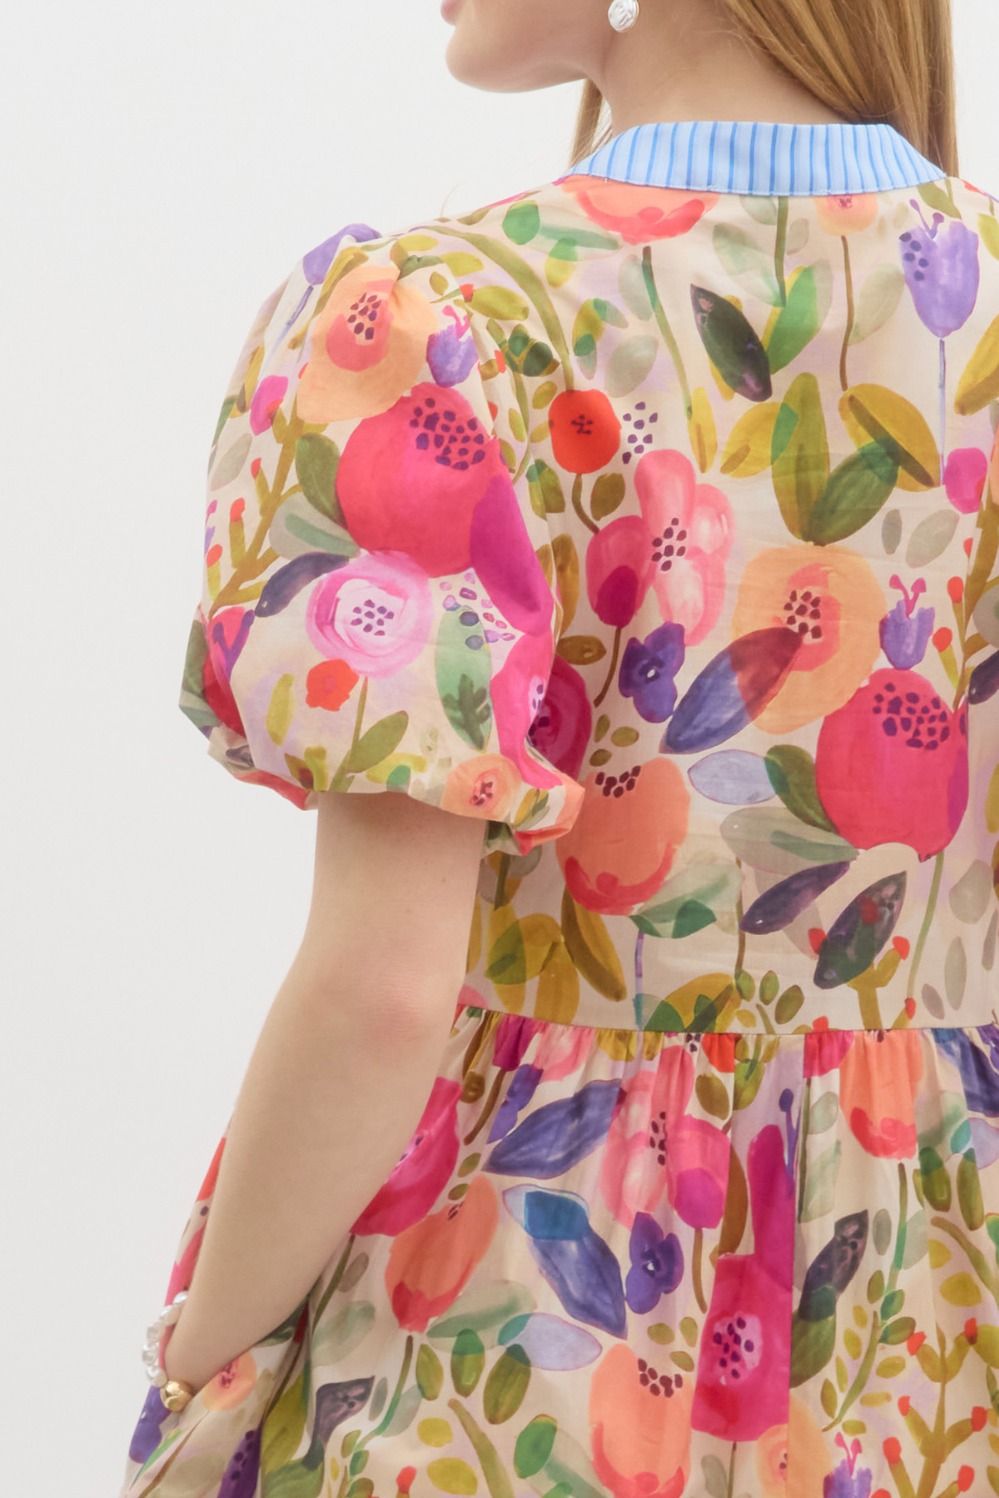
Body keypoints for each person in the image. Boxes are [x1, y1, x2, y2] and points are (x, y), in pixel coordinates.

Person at [119, 0, 999, 1493]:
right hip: (930, 1345)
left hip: (513, 1324)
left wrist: (199, 1364)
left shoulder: (441, 328)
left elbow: (384, 993)